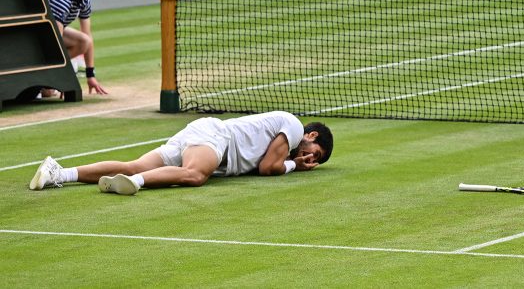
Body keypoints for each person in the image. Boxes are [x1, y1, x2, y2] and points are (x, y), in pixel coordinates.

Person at [29, 111, 333, 195]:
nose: (310, 159)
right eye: (315, 154)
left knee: (132, 163)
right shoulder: (293, 126)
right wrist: (294, 165)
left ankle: (57, 172)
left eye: (314, 161)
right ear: (311, 135)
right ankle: (135, 183)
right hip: (215, 136)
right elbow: (268, 167)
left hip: (203, 134)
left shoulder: (289, 144)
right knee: (194, 175)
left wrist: (291, 160)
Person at [44, 0, 111, 94]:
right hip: (35, 34)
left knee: (84, 41)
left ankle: (49, 76)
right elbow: (56, 40)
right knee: (48, 92)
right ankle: (47, 76)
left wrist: (90, 75)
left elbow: (87, 36)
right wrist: (64, 77)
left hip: (47, 31)